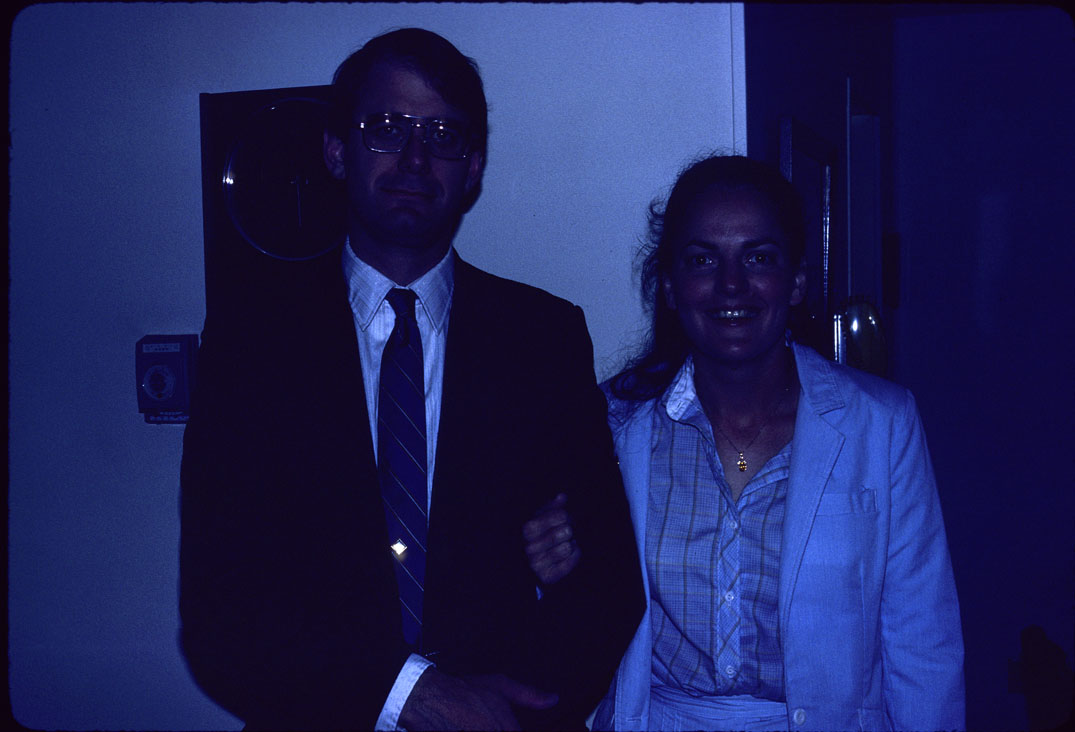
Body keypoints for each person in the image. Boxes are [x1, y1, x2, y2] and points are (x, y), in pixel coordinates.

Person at [179, 28, 643, 731]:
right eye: (387, 128)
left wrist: (520, 708)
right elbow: (220, 605)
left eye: (443, 135)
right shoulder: (252, 341)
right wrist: (409, 694)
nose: (415, 158)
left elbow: (609, 579)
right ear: (337, 150)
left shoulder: (542, 337)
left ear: (473, 167)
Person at [524, 154, 965, 730]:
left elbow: (922, 645)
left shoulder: (882, 424)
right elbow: (575, 624)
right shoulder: (612, 424)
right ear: (671, 286)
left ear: (797, 281)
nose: (730, 284)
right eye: (702, 259)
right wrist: (553, 571)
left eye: (758, 257)